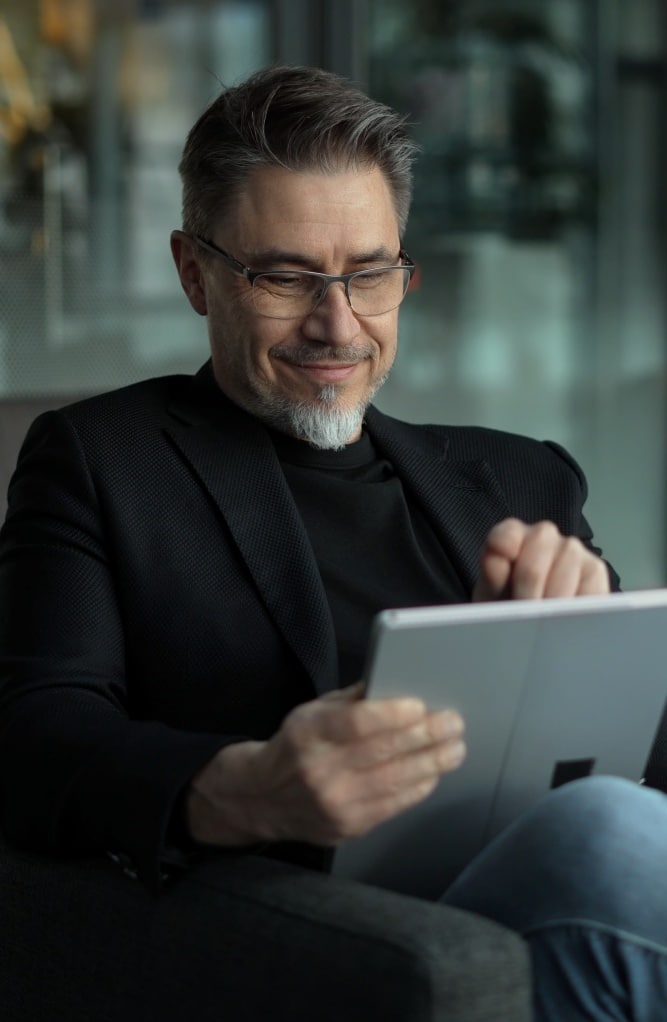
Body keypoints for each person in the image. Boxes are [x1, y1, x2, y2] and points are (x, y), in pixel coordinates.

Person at [1, 64, 666, 1020]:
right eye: (284, 276)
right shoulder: (102, 463)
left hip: (553, 934)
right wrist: (246, 789)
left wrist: (603, 637)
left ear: (406, 274)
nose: (337, 324)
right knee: (606, 832)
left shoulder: (523, 479)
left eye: (369, 274)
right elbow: (33, 738)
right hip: (323, 945)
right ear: (195, 273)